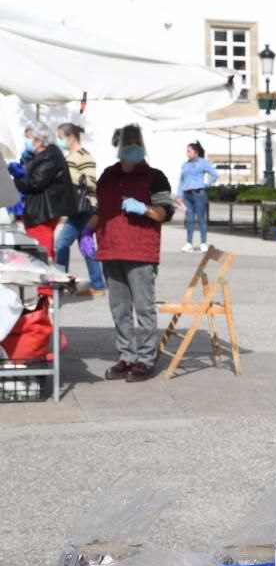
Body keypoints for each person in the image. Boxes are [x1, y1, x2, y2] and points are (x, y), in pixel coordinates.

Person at [81, 124, 174, 382]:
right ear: (118, 145)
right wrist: (86, 233)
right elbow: (100, 210)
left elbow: (165, 212)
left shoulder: (155, 177)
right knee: (119, 309)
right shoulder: (107, 176)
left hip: (140, 252)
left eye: (136, 141)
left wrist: (143, 208)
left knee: (144, 308)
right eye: (127, 141)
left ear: (143, 145)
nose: (131, 145)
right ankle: (126, 356)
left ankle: (145, 358)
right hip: (110, 250)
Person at [53, 123, 106, 297]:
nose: (59, 140)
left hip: (84, 207)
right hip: (75, 208)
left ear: (71, 137)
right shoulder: (70, 156)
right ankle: (97, 284)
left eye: (61, 137)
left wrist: (67, 174)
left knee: (61, 244)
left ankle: (62, 283)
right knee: (85, 245)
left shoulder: (84, 156)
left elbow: (90, 182)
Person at [13, 122, 74, 260]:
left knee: (41, 252)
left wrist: (17, 178)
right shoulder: (42, 155)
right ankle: (45, 278)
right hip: (39, 210)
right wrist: (25, 164)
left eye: (28, 138)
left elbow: (35, 183)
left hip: (41, 212)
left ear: (39, 140)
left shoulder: (49, 155)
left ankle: (44, 280)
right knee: (41, 250)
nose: (26, 141)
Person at [176, 140, 218, 253]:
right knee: (189, 219)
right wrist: (179, 195)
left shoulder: (203, 163)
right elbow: (181, 180)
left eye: (189, 151)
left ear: (196, 152)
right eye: (187, 151)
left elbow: (215, 174)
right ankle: (189, 242)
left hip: (199, 194)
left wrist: (206, 184)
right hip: (187, 195)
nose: (187, 153)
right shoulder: (185, 164)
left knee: (201, 218)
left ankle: (203, 243)